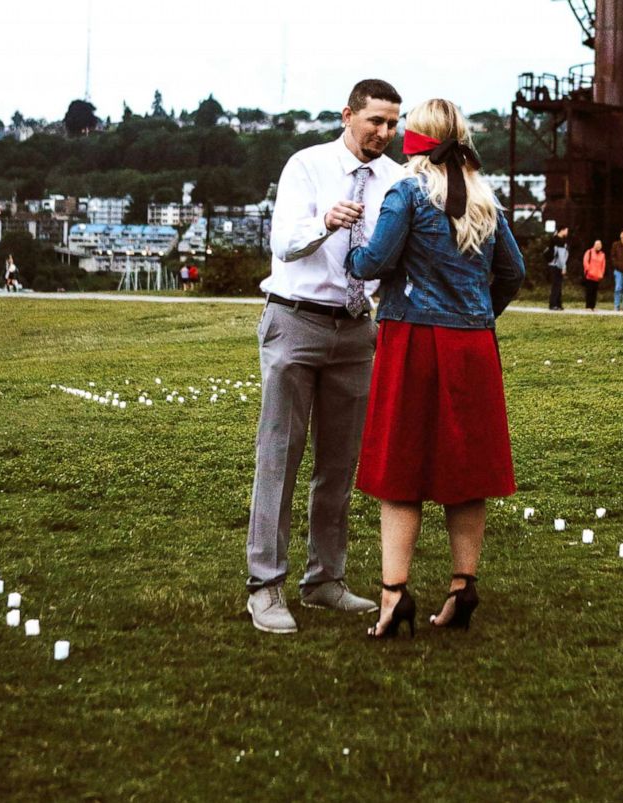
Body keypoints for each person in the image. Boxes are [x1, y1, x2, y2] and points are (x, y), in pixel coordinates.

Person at [347, 98, 525, 639]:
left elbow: (374, 262)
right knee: (466, 470)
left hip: (413, 342)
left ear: (417, 139)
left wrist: (353, 249)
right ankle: (462, 585)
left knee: (401, 468)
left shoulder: (406, 192)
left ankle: (393, 594)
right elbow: (512, 271)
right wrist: (475, 316)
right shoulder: (484, 198)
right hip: (472, 347)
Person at [245, 78, 405, 635]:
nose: (385, 133)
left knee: (339, 464)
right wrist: (324, 224)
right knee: (279, 457)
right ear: (348, 116)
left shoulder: (397, 179)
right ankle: (265, 586)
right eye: (375, 122)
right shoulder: (307, 165)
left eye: (392, 124)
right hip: (295, 320)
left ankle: (324, 581)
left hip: (357, 331)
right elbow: (282, 242)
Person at [547, 225, 569, 310]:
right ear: (562, 230)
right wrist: (563, 267)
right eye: (566, 230)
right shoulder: (559, 241)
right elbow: (561, 255)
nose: (567, 232)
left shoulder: (554, 238)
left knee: (558, 285)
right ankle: (553, 304)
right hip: (557, 265)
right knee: (556, 285)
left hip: (552, 264)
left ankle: (558, 304)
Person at [583, 239, 606, 311]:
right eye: (597, 244)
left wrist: (601, 273)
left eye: (600, 245)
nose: (598, 246)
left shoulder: (602, 254)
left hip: (597, 276)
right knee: (589, 291)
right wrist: (588, 270)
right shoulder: (589, 252)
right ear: (594, 245)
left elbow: (603, 265)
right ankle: (588, 306)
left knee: (594, 292)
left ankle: (593, 306)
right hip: (589, 276)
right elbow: (585, 262)